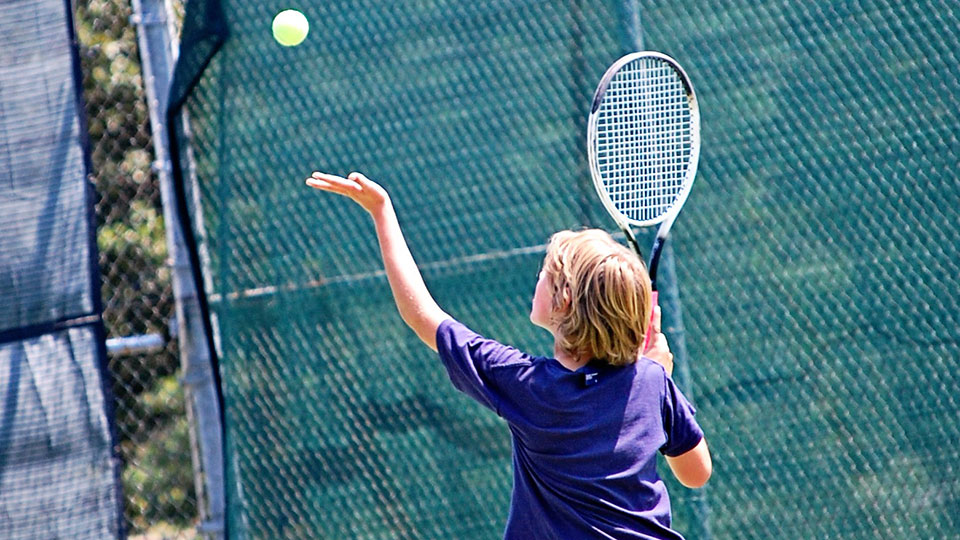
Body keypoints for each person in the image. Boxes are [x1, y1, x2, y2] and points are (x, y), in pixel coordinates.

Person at [305, 171, 711, 540]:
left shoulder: (528, 387)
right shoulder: (652, 382)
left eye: (545, 275)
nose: (537, 280)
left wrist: (382, 212)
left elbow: (422, 315)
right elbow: (695, 473)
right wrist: (659, 378)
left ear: (564, 300)